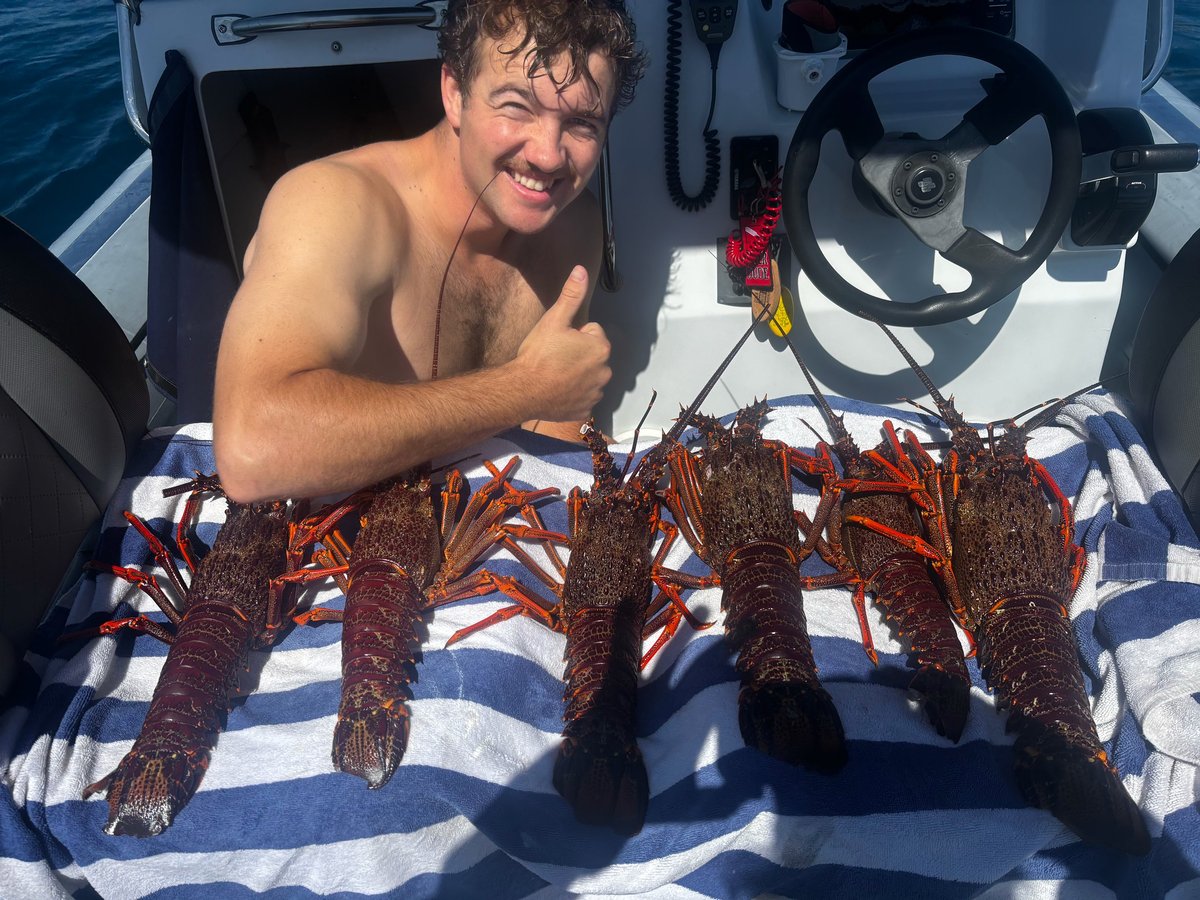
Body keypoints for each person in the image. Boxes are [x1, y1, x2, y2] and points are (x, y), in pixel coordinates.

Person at [212, 0, 647, 503]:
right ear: (455, 93)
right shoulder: (335, 204)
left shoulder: (575, 223)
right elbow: (252, 452)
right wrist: (524, 388)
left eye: (582, 123)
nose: (548, 154)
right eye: (516, 106)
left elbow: (553, 428)